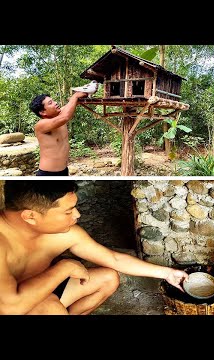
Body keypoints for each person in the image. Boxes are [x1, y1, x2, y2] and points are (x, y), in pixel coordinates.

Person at [0, 180, 188, 315]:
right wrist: (64, 267)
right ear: (30, 216)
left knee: (108, 278)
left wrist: (167, 273)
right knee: (49, 308)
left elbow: (114, 259)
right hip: (12, 305)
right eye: (68, 211)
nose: (78, 215)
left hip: (42, 292)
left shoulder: (66, 233)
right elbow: (11, 308)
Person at [29, 90, 92, 176]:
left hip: (64, 171)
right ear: (42, 112)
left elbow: (71, 105)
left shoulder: (60, 114)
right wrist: (75, 96)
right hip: (48, 174)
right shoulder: (41, 125)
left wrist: (86, 91)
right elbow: (65, 117)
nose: (55, 103)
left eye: (53, 100)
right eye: (50, 103)